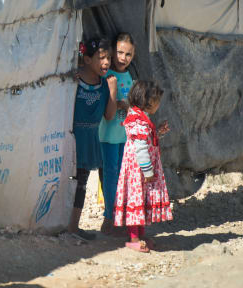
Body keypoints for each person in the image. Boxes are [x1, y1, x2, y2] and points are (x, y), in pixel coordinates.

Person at [114, 80, 172, 252]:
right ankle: (133, 238)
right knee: (136, 200)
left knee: (140, 200)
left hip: (139, 171)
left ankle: (140, 234)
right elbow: (140, 149)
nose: (158, 105)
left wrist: (158, 132)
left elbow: (145, 141)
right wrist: (147, 170)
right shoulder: (138, 121)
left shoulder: (140, 118)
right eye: (157, 102)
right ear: (148, 102)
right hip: (137, 172)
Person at [69, 38, 117, 241]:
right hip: (72, 137)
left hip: (90, 139)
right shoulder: (74, 80)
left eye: (109, 58)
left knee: (82, 181)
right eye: (102, 58)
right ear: (87, 59)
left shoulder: (104, 84)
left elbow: (109, 115)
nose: (106, 62)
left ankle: (73, 226)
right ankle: (67, 225)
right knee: (69, 181)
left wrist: (113, 90)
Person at [98, 33, 136, 236]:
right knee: (111, 175)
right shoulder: (107, 74)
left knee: (121, 176)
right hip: (107, 135)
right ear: (113, 52)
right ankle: (109, 218)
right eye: (120, 52)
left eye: (128, 54)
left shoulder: (129, 76)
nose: (123, 57)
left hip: (123, 135)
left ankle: (119, 216)